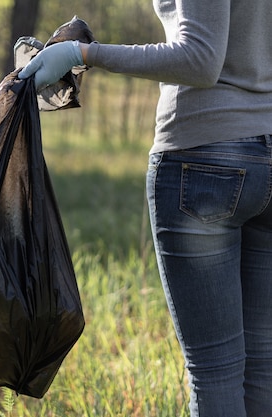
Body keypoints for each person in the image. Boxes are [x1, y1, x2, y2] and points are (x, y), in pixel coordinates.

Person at [18, 1, 272, 416]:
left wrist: (84, 55)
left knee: (216, 372)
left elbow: (200, 60)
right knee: (263, 367)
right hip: (266, 151)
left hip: (205, 158)